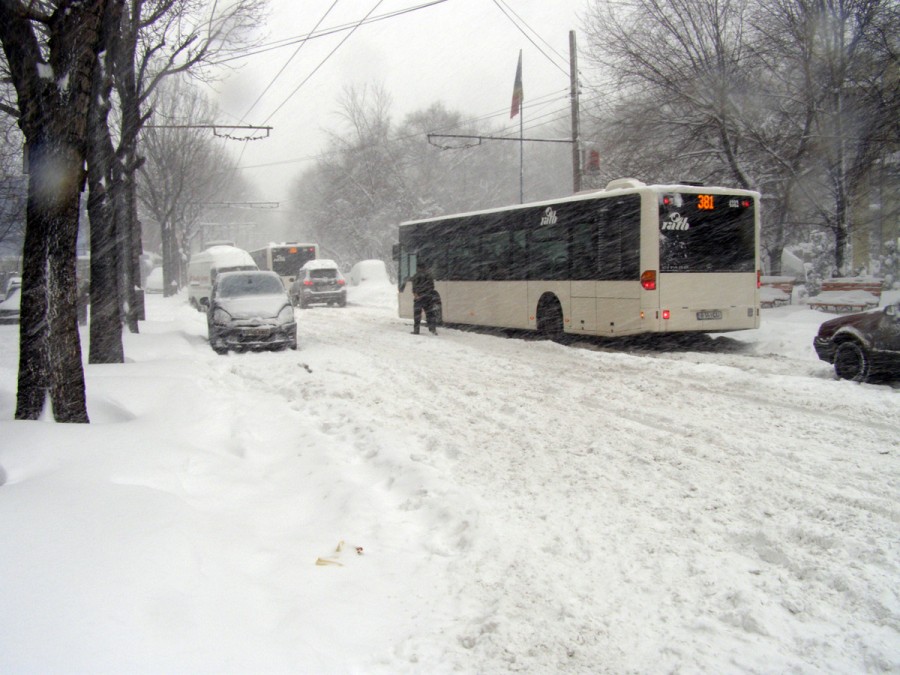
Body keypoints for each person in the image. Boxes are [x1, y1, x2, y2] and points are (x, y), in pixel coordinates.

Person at [410, 264, 438, 335]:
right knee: (430, 314)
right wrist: (428, 294)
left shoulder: (416, 276)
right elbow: (432, 287)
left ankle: (416, 330)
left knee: (417, 315)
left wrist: (416, 295)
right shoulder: (429, 276)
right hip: (428, 298)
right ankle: (432, 329)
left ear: (418, 268)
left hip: (419, 298)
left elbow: (414, 288)